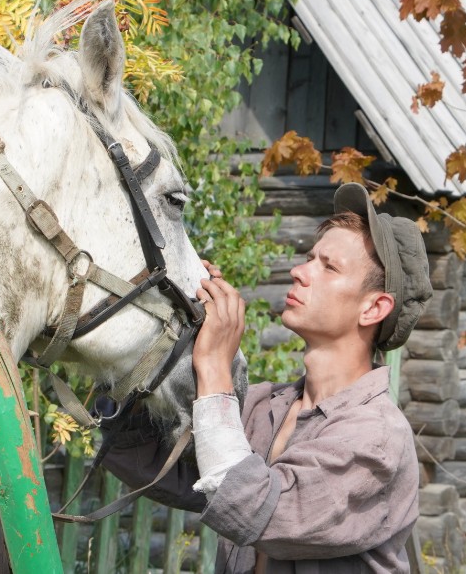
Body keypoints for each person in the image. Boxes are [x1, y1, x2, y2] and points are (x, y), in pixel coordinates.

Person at [102, 182, 433, 573]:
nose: (299, 271)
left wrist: (214, 369)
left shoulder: (376, 438)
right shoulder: (261, 408)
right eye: (310, 258)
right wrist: (162, 329)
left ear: (373, 308)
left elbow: (254, 510)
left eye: (328, 267)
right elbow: (139, 456)